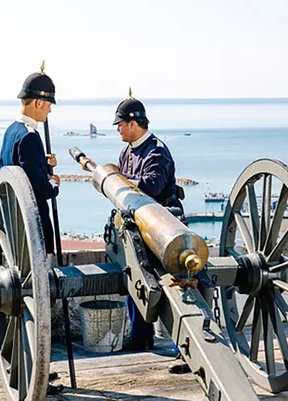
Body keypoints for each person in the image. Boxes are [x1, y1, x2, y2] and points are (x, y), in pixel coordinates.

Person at [81, 90, 190, 373]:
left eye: (119, 124)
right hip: (136, 228)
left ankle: (185, 348)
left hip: (164, 226)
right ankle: (142, 337)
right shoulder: (127, 152)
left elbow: (152, 187)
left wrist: (121, 180)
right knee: (134, 279)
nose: (117, 129)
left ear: (132, 123)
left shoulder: (156, 151)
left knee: (175, 287)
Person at [0, 68, 64, 394]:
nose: (50, 110)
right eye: (49, 104)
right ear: (38, 103)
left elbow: (16, 172)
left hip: (15, 234)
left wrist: (43, 163)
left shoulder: (12, 132)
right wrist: (53, 183)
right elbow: (36, 189)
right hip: (33, 237)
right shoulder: (30, 137)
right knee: (41, 309)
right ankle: (38, 374)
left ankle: (32, 369)